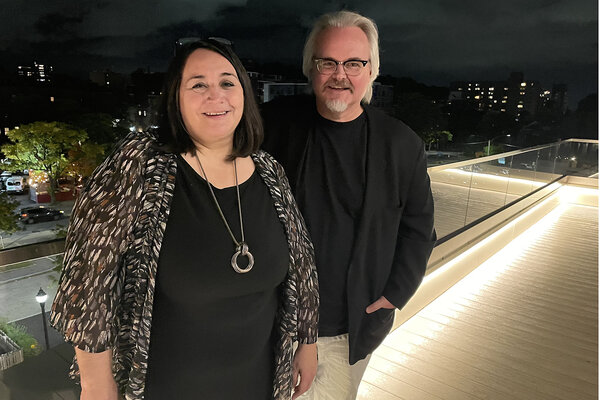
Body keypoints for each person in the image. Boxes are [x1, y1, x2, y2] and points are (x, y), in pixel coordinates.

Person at [50, 38, 319, 400]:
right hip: (167, 384)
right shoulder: (141, 164)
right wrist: (97, 385)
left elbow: (301, 264)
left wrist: (306, 342)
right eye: (198, 85)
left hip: (258, 381)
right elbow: (89, 278)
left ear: (245, 94)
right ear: (175, 96)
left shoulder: (269, 170)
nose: (216, 95)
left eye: (227, 82)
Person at [261, 10, 436, 400]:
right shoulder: (271, 125)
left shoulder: (401, 144)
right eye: (328, 62)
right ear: (311, 68)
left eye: (354, 63)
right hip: (270, 318)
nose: (341, 75)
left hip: (349, 325)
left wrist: (395, 294)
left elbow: (419, 227)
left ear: (372, 70)